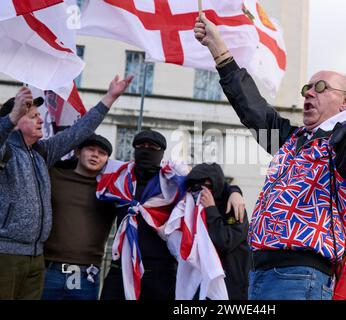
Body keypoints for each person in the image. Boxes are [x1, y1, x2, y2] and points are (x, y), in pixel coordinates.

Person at [194, 15, 346, 300]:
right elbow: (252, 108)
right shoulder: (291, 139)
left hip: (300, 278)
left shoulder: (343, 142)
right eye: (307, 88)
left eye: (321, 87)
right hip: (260, 274)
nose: (309, 93)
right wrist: (220, 52)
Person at [0, 76, 132, 300]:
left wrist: (109, 98)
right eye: (32, 116)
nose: (40, 120)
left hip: (36, 256)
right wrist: (12, 115)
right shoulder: (6, 152)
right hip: (6, 253)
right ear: (15, 123)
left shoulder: (42, 152)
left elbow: (78, 132)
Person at [99, 130, 245, 300]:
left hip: (161, 272)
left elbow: (209, 180)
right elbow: (87, 167)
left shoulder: (172, 180)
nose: (146, 150)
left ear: (161, 152)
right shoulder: (118, 178)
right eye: (140, 146)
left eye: (152, 147)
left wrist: (234, 191)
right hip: (122, 266)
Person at [42, 134, 115, 300]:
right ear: (77, 152)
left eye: (102, 153)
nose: (95, 155)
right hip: (48, 268)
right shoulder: (53, 175)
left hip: (86, 274)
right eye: (90, 149)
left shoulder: (111, 190)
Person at [185, 163, 250, 300]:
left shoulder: (234, 206)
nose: (203, 193)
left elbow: (224, 241)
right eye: (197, 188)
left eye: (207, 187)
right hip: (202, 284)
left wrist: (211, 209)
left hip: (231, 287)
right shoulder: (193, 208)